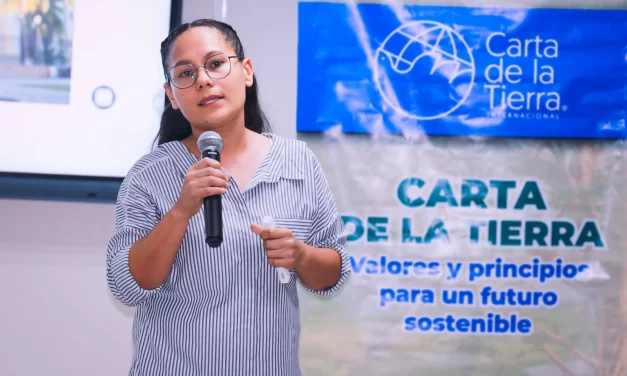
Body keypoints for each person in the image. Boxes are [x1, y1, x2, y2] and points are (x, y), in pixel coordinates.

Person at [105, 19, 351, 376]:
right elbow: (128, 286)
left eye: (216, 64)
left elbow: (333, 273)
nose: (203, 79)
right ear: (172, 95)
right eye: (185, 73)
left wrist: (300, 255)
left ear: (246, 71)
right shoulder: (150, 175)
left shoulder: (297, 162)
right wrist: (180, 212)